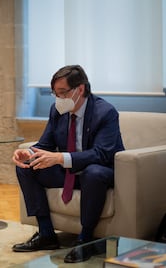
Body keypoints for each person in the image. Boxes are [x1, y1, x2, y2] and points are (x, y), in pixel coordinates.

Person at [11, 65, 124, 263]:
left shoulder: (105, 112)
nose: (58, 99)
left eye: (63, 93)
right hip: (70, 172)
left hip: (99, 172)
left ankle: (85, 240)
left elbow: (102, 153)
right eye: (55, 93)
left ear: (80, 89)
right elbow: (45, 145)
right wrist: (27, 153)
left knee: (93, 172)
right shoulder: (58, 110)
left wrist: (61, 158)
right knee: (28, 167)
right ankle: (46, 234)